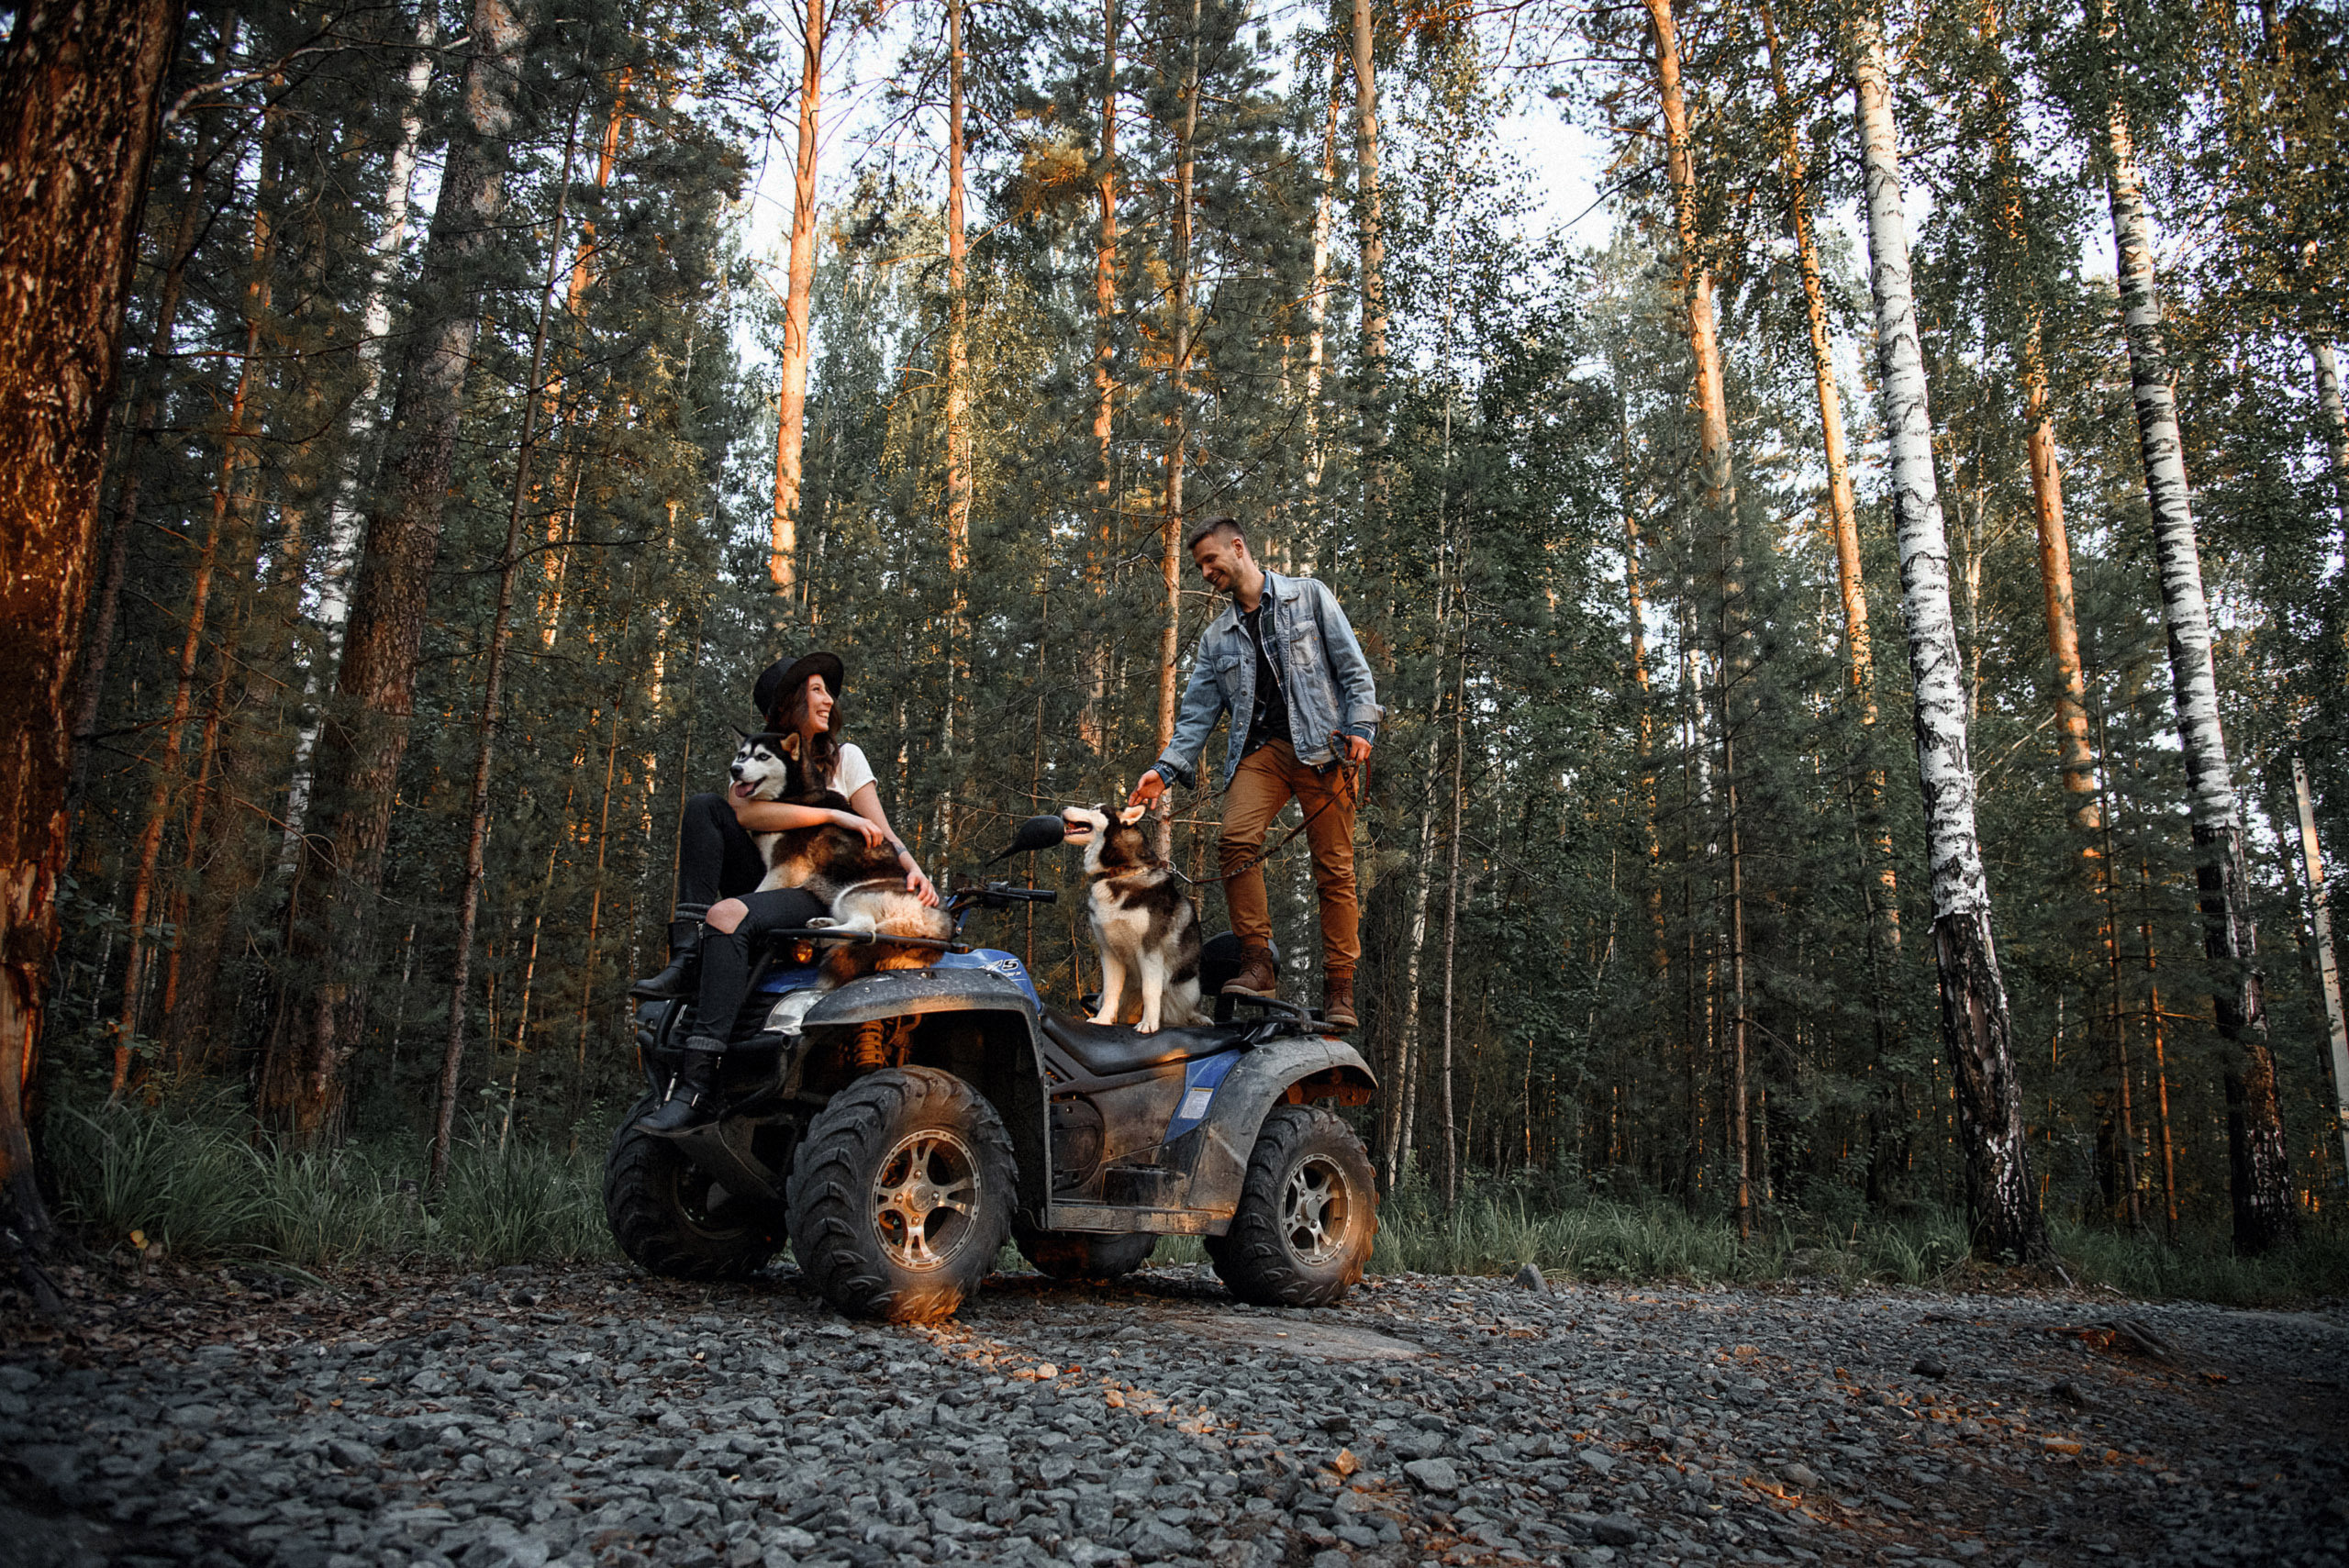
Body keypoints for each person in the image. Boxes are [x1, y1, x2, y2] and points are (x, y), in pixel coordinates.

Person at [633, 651, 939, 1134]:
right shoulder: (757, 758)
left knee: (729, 915)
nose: (828, 698)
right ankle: (688, 953)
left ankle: (697, 1084)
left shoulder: (846, 757)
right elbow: (746, 815)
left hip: (817, 882)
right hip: (764, 875)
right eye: (815, 690)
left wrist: (914, 870)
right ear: (788, 706)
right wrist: (833, 813)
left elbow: (881, 829)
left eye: (827, 689)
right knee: (704, 808)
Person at [1129, 517, 1381, 1029]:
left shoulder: (1308, 596)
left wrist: (1360, 727)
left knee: (1334, 870)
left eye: (1210, 560)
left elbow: (1353, 669)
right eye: (1200, 566)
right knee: (1236, 841)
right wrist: (1165, 770)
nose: (1206, 572)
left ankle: (1340, 988)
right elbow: (1197, 716)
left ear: (1238, 548)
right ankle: (1257, 962)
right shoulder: (1217, 638)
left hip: (1324, 749)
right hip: (1261, 752)